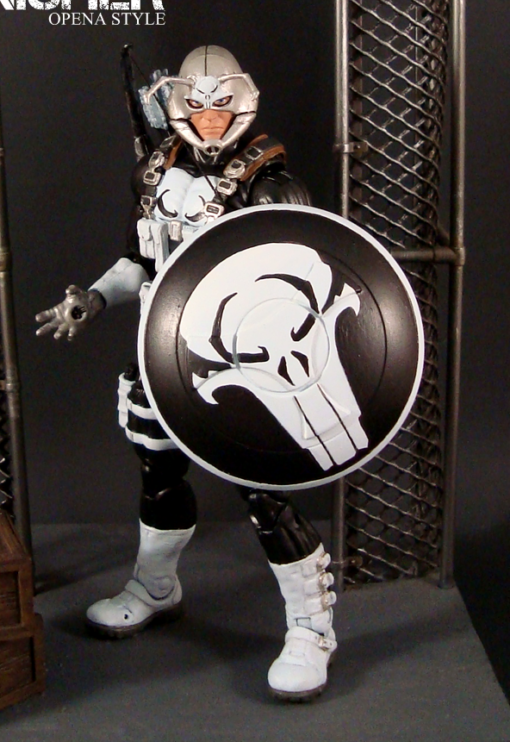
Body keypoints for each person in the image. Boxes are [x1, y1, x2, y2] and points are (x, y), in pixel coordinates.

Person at [36, 46, 337, 701]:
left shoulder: (269, 182)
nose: (208, 118)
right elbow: (138, 263)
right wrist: (93, 299)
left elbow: (303, 281)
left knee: (261, 490)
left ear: (241, 102)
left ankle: (312, 627)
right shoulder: (154, 173)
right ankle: (155, 585)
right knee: (159, 471)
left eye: (220, 105)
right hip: (164, 353)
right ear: (176, 107)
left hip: (244, 363)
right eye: (195, 107)